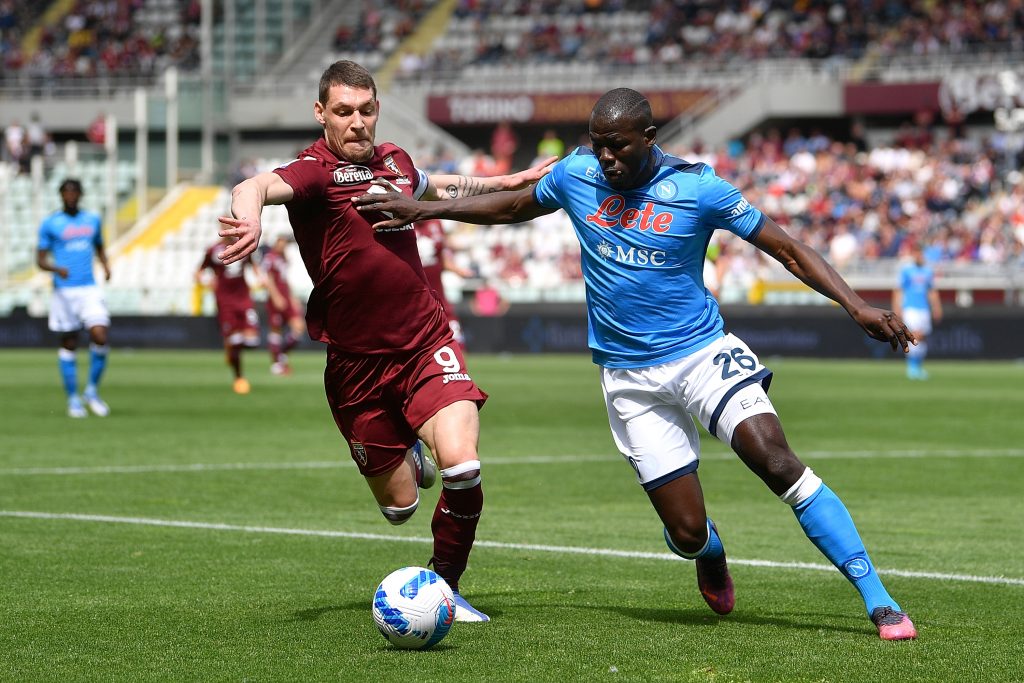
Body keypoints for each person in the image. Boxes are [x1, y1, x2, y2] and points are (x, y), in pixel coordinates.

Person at [353, 87, 920, 641]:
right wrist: (425, 209)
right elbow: (513, 206)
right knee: (687, 530)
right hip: (629, 379)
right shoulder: (578, 175)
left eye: (618, 146)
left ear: (649, 138)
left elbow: (788, 248)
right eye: (597, 144)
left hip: (702, 353)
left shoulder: (699, 187)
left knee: (774, 459)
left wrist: (855, 304)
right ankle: (710, 552)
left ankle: (879, 600)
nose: (605, 157)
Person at [215, 60, 556, 622]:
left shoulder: (396, 161)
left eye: (366, 110)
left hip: (425, 343)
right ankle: (407, 449)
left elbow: (439, 186)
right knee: (400, 508)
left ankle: (444, 588)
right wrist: (249, 219)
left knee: (464, 466)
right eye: (344, 112)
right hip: (354, 367)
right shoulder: (313, 173)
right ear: (321, 114)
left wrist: (510, 181)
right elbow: (251, 185)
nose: (357, 123)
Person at [36, 178, 111, 418]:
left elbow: (99, 246)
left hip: (89, 288)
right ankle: (73, 399)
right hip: (64, 290)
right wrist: (56, 269)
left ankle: (91, 391)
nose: (70, 196)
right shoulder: (50, 223)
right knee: (69, 343)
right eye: (66, 193)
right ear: (61, 196)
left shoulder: (92, 220)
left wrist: (106, 265)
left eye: (74, 192)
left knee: (100, 334)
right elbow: (40, 259)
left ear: (80, 195)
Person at [196, 235, 263, 394]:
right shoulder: (213, 250)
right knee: (235, 340)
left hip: (243, 298)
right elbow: (199, 271)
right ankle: (239, 377)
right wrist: (206, 282)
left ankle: (231, 350)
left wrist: (260, 278)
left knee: (252, 340)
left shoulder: (244, 246)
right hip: (225, 300)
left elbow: (253, 265)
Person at [416, 219, 474, 347]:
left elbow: (441, 257)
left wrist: (458, 270)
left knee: (456, 340)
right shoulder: (403, 226)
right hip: (416, 298)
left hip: (439, 296)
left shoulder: (435, 223)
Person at [893, 242, 942, 380]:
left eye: (920, 253)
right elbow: (898, 290)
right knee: (915, 336)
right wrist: (897, 307)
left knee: (923, 338)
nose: (919, 256)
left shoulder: (927, 271)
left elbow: (931, 291)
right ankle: (912, 367)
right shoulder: (907, 270)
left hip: (924, 308)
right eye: (916, 253)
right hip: (910, 308)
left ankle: (918, 366)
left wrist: (936, 307)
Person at [259, 234, 306, 375]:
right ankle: (276, 364)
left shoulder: (283, 259)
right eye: (282, 242)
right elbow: (269, 279)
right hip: (276, 298)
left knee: (299, 327)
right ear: (277, 243)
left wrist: (292, 298)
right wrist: (276, 297)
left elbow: (285, 280)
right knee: (276, 330)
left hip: (286, 297)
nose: (283, 245)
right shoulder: (270, 258)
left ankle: (281, 355)